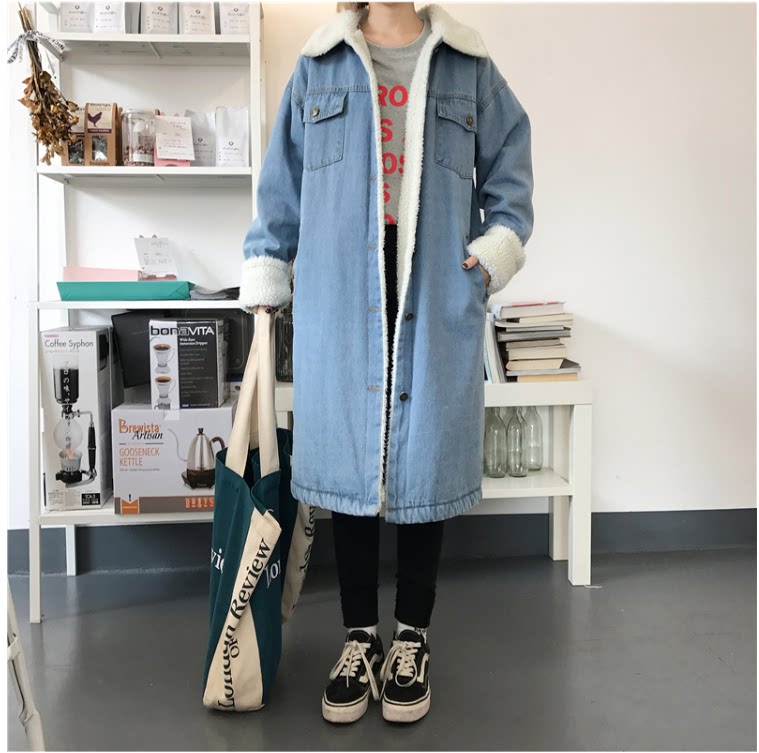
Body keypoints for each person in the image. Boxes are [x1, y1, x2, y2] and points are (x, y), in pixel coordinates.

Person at [241, 1, 534, 725]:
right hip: (343, 288)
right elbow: (280, 185)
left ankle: (411, 637)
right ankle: (358, 637)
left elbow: (510, 163)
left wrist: (490, 256)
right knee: (350, 460)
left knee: (422, 455)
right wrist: (267, 275)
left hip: (432, 283)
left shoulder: (468, 64)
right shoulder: (318, 65)